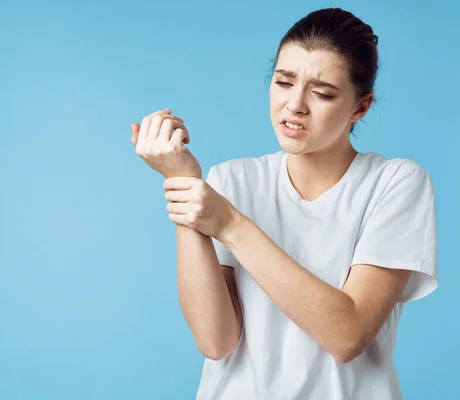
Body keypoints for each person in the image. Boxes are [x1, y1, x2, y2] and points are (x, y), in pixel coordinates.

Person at [131, 7, 438, 400]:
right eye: (283, 82)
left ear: (360, 107)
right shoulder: (231, 180)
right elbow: (216, 342)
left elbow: (347, 335)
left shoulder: (395, 184)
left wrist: (228, 223)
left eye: (322, 92)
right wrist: (182, 182)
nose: (295, 105)